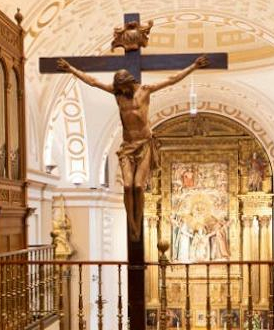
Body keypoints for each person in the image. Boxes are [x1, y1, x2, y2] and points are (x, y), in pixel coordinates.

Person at [58, 55, 210, 241]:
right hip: (127, 146)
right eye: (118, 89)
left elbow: (172, 80)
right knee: (128, 186)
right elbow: (93, 81)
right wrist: (71, 69)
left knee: (138, 186)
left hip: (144, 143)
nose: (120, 92)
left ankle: (138, 222)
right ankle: (132, 223)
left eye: (123, 88)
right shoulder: (117, 93)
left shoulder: (145, 91)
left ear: (129, 83)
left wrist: (193, 66)